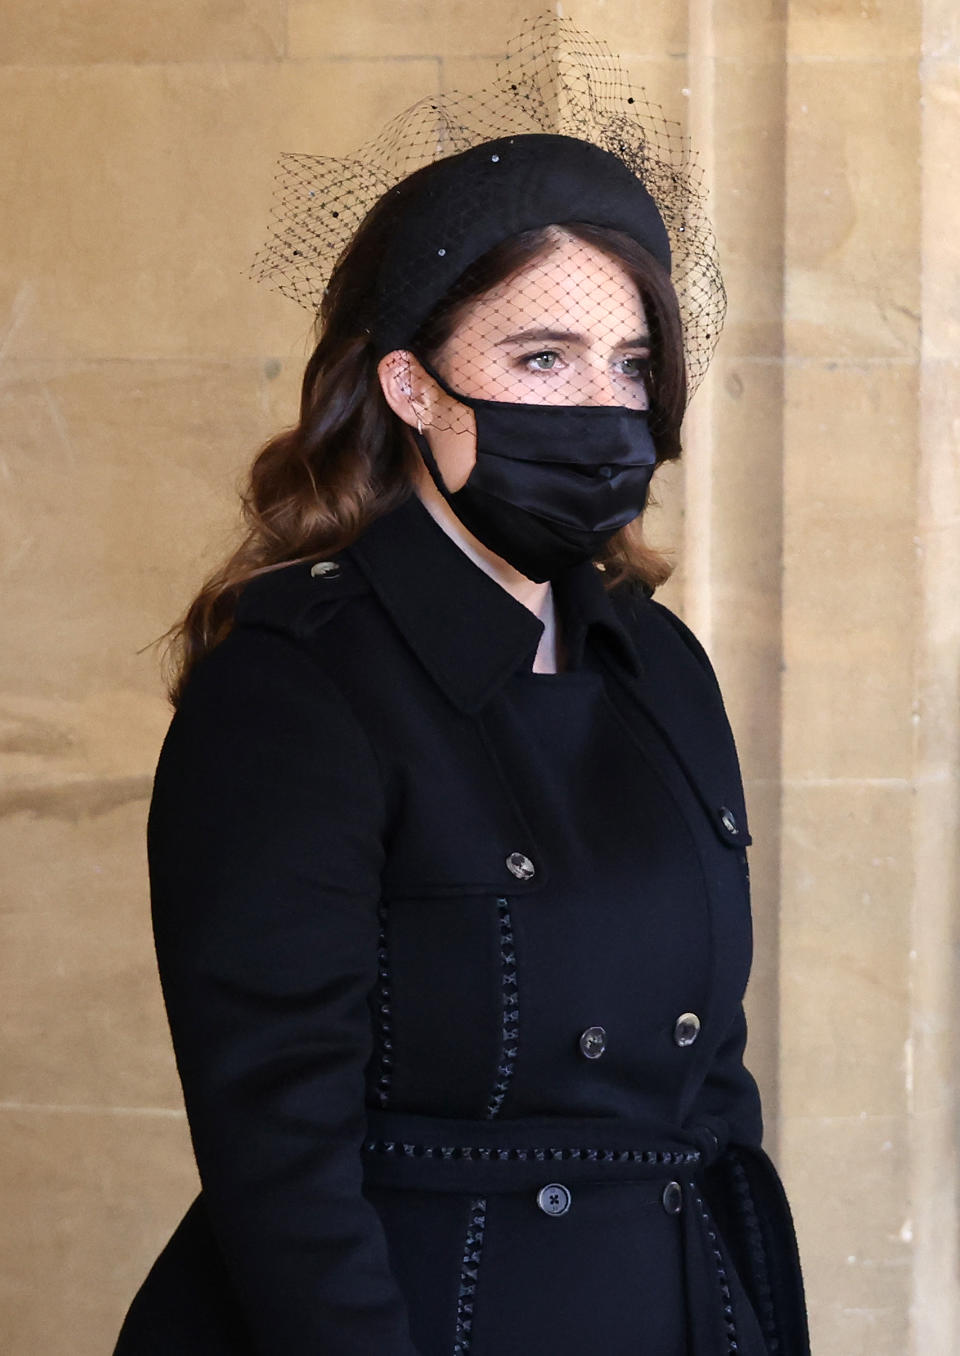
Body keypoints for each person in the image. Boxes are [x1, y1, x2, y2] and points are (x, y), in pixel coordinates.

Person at [113, 18, 809, 1356]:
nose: (602, 411)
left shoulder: (661, 663)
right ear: (411, 387)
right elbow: (279, 1155)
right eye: (541, 358)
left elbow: (712, 1095)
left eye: (632, 366)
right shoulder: (293, 685)